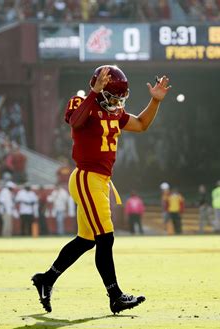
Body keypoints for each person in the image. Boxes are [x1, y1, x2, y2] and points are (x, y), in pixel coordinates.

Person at [31, 65, 170, 314]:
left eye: (120, 98)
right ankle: (115, 295)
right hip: (86, 177)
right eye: (113, 96)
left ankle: (46, 279)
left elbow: (140, 125)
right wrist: (94, 94)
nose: (116, 102)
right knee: (106, 238)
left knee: (86, 241)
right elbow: (75, 121)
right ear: (99, 89)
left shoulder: (115, 111)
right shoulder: (81, 102)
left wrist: (155, 101)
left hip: (101, 180)